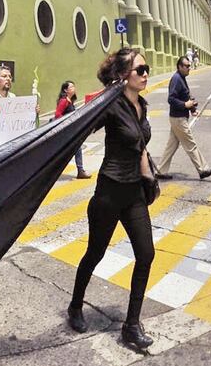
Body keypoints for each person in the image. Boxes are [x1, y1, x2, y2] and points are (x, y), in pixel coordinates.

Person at [67, 48, 156, 350]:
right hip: (108, 192)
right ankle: (75, 306)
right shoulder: (111, 105)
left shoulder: (141, 104)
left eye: (147, 69)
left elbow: (141, 145)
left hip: (134, 194)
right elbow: (81, 125)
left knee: (146, 254)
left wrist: (148, 177)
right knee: (95, 253)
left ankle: (131, 325)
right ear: (122, 76)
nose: (145, 75)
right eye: (139, 70)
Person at [154, 57, 211, 180]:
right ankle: (203, 169)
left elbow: (185, 96)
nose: (189, 68)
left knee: (171, 146)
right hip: (178, 118)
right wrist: (184, 105)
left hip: (178, 117)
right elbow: (171, 99)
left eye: (189, 65)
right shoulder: (176, 79)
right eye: (186, 66)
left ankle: (160, 170)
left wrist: (192, 108)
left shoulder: (181, 78)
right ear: (179, 67)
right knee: (190, 144)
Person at [55, 82, 91, 179]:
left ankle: (80, 170)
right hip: (65, 131)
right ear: (66, 90)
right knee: (71, 149)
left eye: (74, 86)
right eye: (71, 87)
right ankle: (80, 170)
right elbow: (57, 115)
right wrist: (68, 123)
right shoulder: (64, 101)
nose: (73, 88)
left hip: (70, 131)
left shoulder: (69, 101)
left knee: (76, 148)